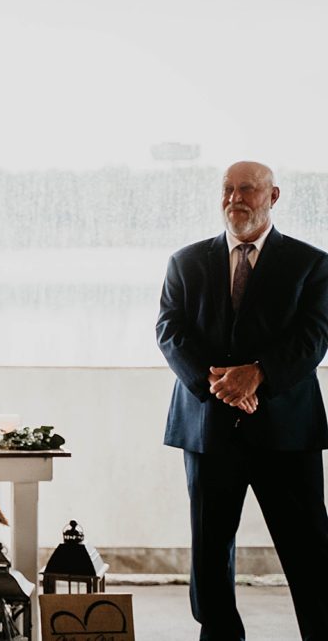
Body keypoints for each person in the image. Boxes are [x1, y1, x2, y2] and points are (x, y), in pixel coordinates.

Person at [156, 161, 328, 640]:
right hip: (207, 427)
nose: (235, 199)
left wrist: (259, 376)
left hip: (286, 431)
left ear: (273, 196)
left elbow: (314, 338)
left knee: (309, 548)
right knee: (210, 551)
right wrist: (219, 384)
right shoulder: (185, 261)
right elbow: (169, 331)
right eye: (228, 190)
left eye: (247, 189)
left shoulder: (312, 264)